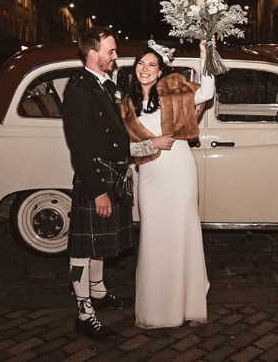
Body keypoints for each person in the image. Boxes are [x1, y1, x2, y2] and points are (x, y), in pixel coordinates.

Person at [61, 26, 173, 341]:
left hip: (113, 173)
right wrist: (98, 191)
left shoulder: (106, 84)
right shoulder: (80, 88)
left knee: (100, 245)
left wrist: (152, 145)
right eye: (110, 51)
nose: (115, 56)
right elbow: (79, 147)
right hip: (95, 176)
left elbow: (119, 139)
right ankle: (83, 313)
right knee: (83, 247)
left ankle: (98, 292)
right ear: (92, 53)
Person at [121, 39, 215, 329]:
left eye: (151, 64)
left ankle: (187, 307)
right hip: (150, 178)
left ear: (161, 70)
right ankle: (157, 311)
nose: (145, 68)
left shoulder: (176, 92)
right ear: (134, 69)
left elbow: (208, 91)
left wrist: (206, 55)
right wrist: (153, 143)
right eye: (141, 63)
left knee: (183, 235)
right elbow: (125, 149)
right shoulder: (126, 103)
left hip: (180, 171)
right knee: (153, 240)